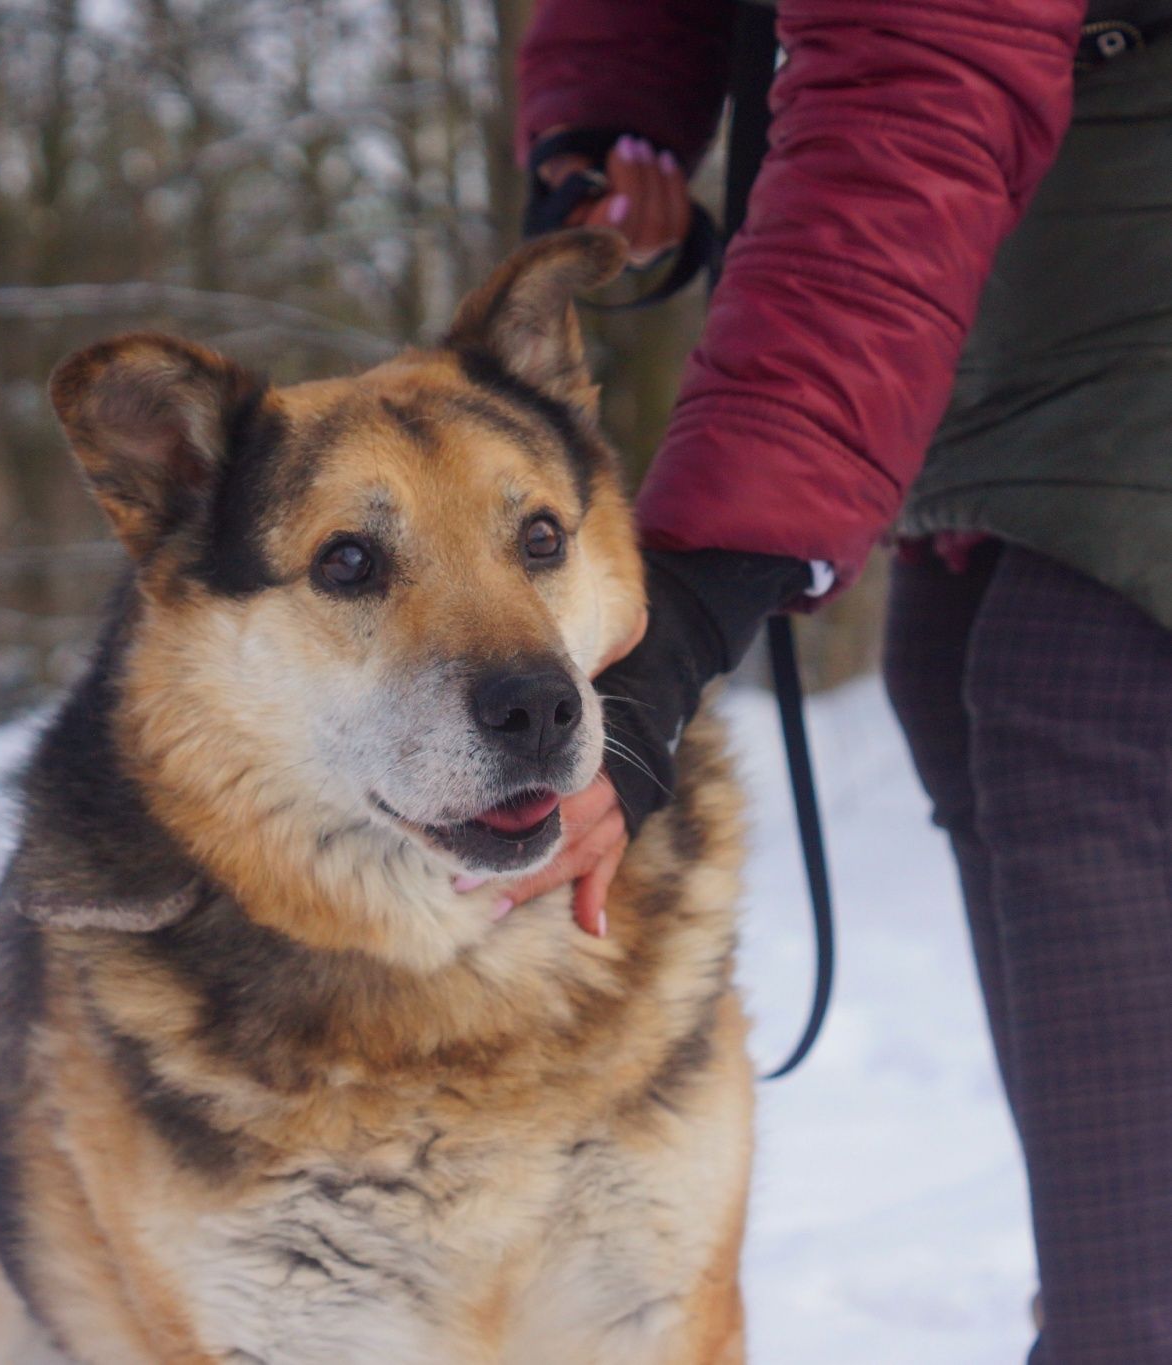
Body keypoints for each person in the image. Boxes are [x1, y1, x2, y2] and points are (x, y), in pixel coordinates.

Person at [463, 2, 1172, 1361]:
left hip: (1035, 105)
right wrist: (606, 128)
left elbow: (912, 94)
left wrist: (681, 618)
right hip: (1047, 133)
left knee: (1078, 682)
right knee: (952, 657)